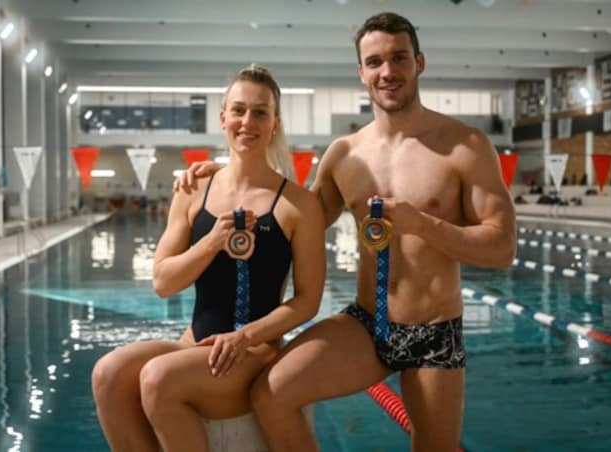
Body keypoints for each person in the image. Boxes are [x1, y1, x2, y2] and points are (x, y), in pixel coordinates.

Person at [176, 12, 516, 451]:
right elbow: (289, 220)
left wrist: (422, 224)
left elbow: (502, 248)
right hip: (367, 323)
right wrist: (227, 176)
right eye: (375, 62)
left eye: (399, 58)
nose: (387, 72)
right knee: (272, 393)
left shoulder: (464, 146)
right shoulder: (345, 154)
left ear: (420, 62)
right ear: (361, 72)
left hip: (434, 330)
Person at [91, 64, 325, 452]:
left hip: (253, 354)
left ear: (275, 124)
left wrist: (244, 336)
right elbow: (163, 282)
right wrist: (212, 241)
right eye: (238, 110)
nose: (247, 121)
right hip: (194, 345)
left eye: (260, 112)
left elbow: (307, 302)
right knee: (107, 374)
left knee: (157, 379)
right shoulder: (194, 188)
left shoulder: (298, 204)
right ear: (223, 118)